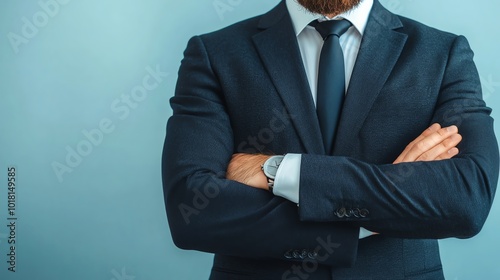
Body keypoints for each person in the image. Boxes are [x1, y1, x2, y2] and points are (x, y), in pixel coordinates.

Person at [162, 0, 499, 279]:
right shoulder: (214, 53)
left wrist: (282, 172)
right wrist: (389, 201)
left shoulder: (443, 53)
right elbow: (191, 211)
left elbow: (467, 199)